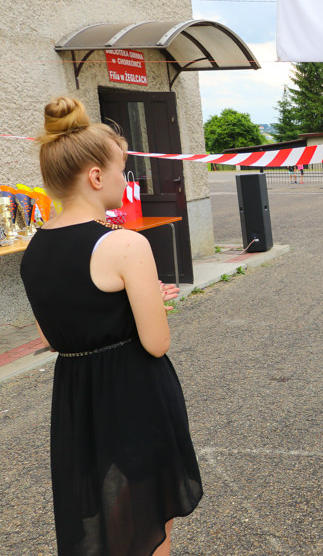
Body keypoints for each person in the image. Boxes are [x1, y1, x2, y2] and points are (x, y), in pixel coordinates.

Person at [20, 97, 203, 556]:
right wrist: (151, 306)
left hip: (78, 395)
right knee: (148, 516)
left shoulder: (35, 249)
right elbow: (156, 342)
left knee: (108, 517)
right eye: (123, 169)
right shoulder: (123, 243)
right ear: (96, 176)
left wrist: (129, 303)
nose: (129, 179)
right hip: (133, 390)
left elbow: (51, 334)